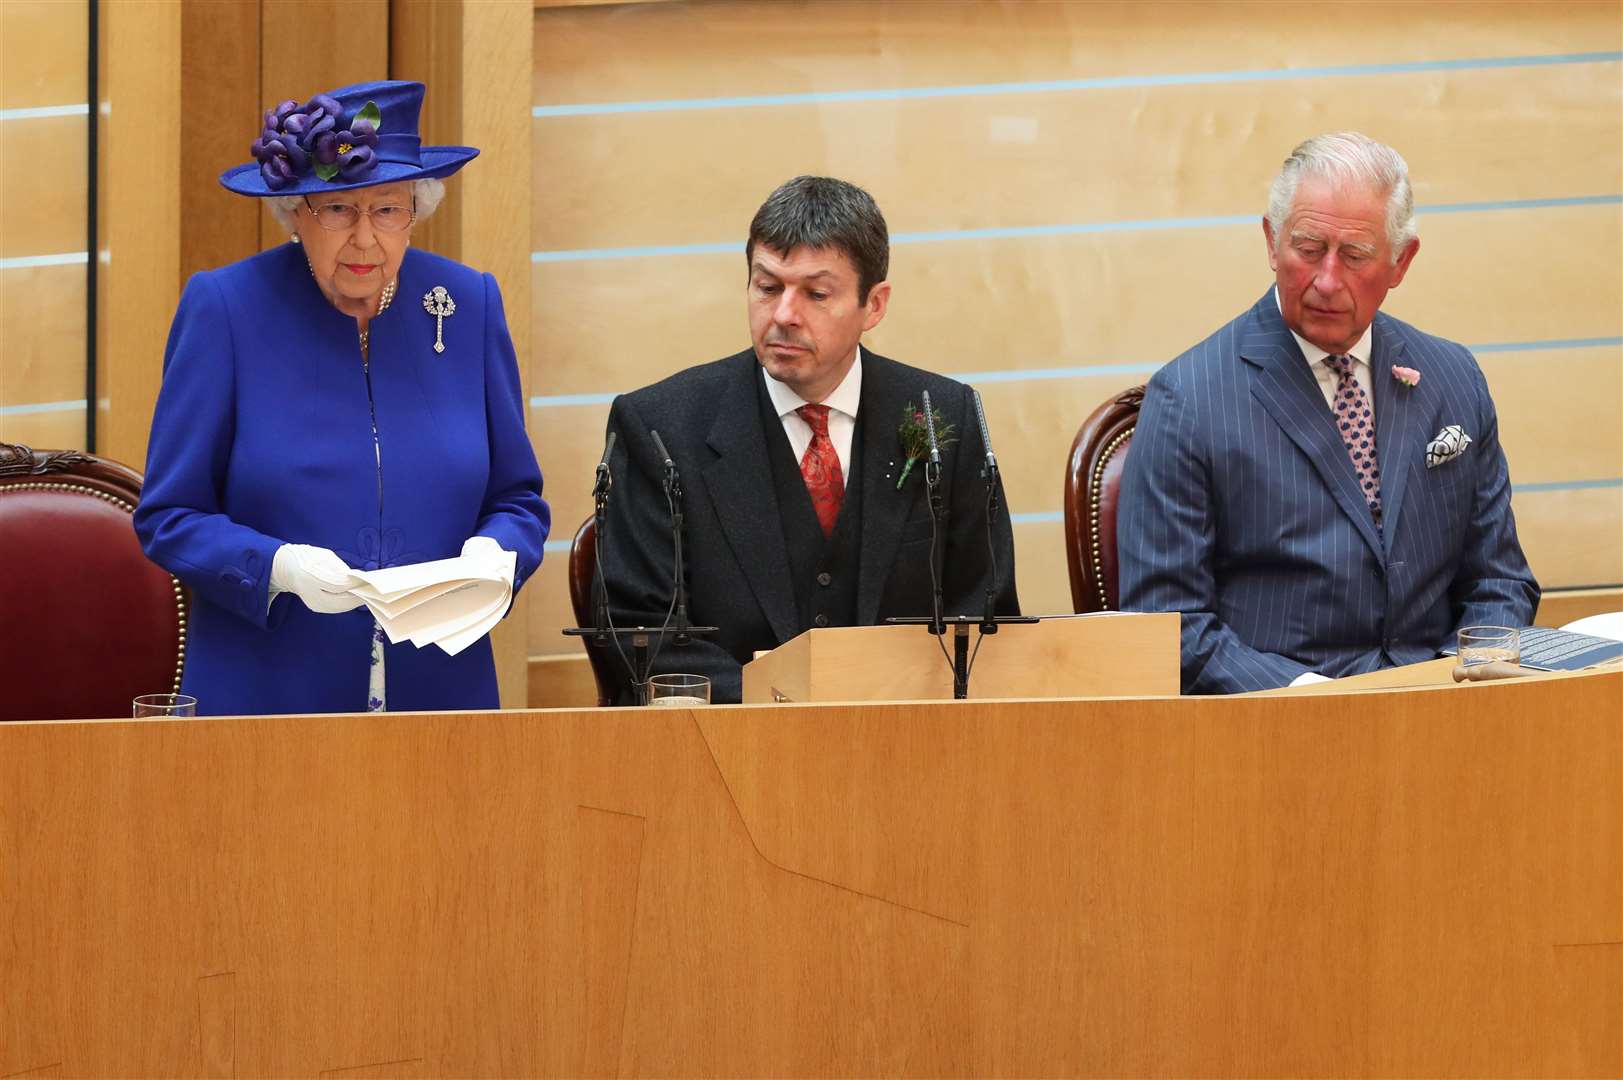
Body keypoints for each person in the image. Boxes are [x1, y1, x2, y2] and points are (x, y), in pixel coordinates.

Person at [134, 81, 549, 715]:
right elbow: (170, 516)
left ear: (416, 210)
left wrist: (497, 556)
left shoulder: (467, 304)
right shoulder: (224, 309)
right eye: (337, 209)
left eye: (387, 210)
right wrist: (277, 568)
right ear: (295, 213)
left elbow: (518, 499)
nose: (364, 239)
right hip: (268, 700)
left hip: (441, 700)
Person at [1117, 132, 1538, 694]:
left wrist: (1460, 680)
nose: (1327, 281)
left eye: (1356, 256)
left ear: (1401, 261)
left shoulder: (1452, 376)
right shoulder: (1189, 399)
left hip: (1446, 708)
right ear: (1272, 242)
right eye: (1308, 249)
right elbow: (1168, 626)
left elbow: (1499, 578)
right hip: (1283, 725)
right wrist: (1320, 699)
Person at [596, 176, 1019, 703]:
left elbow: (983, 616)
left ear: (875, 305)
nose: (783, 315)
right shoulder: (659, 428)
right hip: (728, 748)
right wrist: (784, 707)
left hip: (906, 743)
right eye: (767, 286)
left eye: (817, 294)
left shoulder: (941, 417)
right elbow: (639, 636)